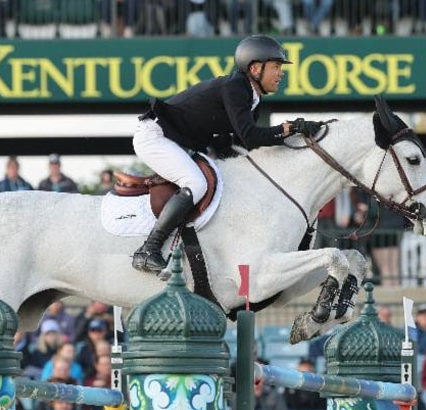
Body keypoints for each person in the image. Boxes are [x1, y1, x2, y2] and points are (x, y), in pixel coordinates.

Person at [129, 35, 325, 274]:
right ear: (255, 68)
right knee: (196, 183)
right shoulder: (235, 88)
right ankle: (148, 249)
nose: (281, 73)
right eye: (276, 66)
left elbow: (242, 144)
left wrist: (294, 139)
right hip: (155, 137)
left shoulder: (252, 98)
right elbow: (251, 136)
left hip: (177, 142)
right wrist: (289, 128)